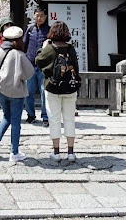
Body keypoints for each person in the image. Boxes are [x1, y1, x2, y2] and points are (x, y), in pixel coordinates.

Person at [0, 26, 35, 163]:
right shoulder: (19, 55)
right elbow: (29, 73)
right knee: (15, 122)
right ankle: (14, 152)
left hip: (1, 90)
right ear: (18, 40)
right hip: (17, 91)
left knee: (6, 117)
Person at [36, 21, 80, 162]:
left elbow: (38, 60)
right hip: (70, 88)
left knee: (54, 119)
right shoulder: (70, 48)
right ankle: (71, 152)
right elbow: (76, 67)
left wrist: (42, 48)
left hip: (52, 88)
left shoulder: (49, 48)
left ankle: (56, 152)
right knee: (69, 119)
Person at [22, 8, 50, 127]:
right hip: (30, 66)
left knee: (44, 92)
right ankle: (31, 115)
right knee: (28, 92)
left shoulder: (49, 31)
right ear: (34, 16)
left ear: (46, 17)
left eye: (41, 16)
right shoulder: (30, 29)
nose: (39, 18)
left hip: (43, 67)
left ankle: (45, 117)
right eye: (37, 16)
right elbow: (24, 45)